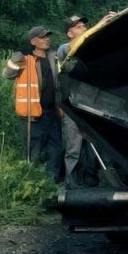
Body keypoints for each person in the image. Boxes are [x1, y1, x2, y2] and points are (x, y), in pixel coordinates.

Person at [2, 25, 63, 180]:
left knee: (55, 151)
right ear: (33, 41)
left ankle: (53, 186)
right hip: (32, 116)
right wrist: (19, 55)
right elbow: (7, 74)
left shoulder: (54, 57)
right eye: (43, 37)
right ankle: (32, 185)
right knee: (33, 153)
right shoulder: (25, 58)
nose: (47, 39)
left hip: (52, 113)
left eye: (47, 36)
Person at [57, 14, 89, 186]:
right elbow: (71, 49)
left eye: (84, 25)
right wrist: (101, 23)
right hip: (73, 105)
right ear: (69, 33)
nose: (83, 27)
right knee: (74, 146)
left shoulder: (89, 46)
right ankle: (70, 182)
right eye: (78, 26)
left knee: (93, 145)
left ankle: (91, 180)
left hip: (91, 104)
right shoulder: (64, 48)